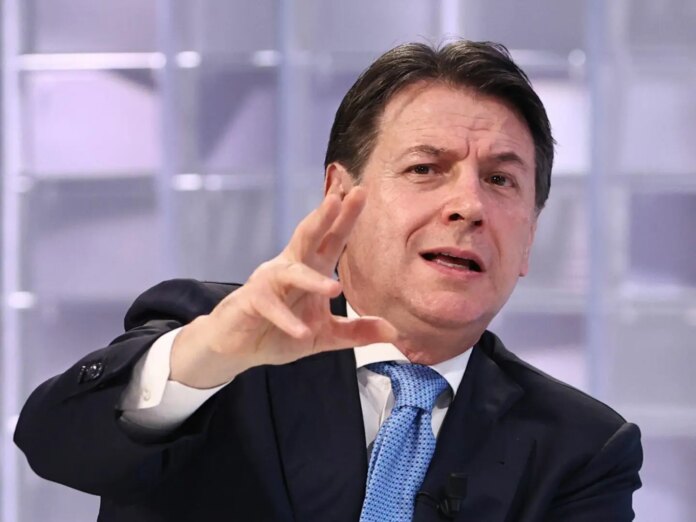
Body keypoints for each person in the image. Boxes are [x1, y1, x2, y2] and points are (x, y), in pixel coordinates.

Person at [15, 41, 642, 521]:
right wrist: (212, 354)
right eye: (426, 168)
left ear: (529, 238)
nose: (469, 206)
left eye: (501, 180)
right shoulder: (212, 341)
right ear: (340, 195)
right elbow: (53, 444)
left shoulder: (582, 449)